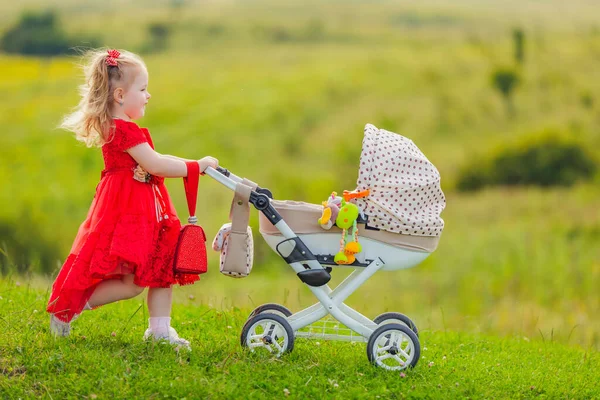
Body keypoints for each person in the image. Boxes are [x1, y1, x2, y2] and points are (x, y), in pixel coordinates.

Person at [46, 48, 217, 351]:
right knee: (133, 283)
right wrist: (195, 167)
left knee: (160, 268)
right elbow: (156, 164)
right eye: (143, 89)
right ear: (121, 95)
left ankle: (161, 331)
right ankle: (68, 307)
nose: (148, 95)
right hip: (130, 212)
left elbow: (157, 159)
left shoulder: (125, 128)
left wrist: (193, 163)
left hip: (147, 208)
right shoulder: (123, 130)